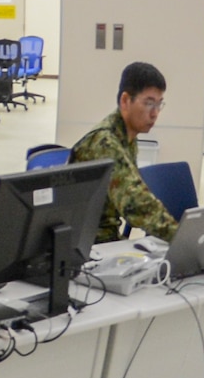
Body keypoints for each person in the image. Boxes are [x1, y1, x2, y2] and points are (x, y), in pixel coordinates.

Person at [70, 61, 178, 244]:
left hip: (107, 240)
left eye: (159, 104)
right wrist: (182, 239)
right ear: (125, 101)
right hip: (87, 246)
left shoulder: (127, 136)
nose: (155, 114)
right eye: (149, 103)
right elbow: (136, 203)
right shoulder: (105, 143)